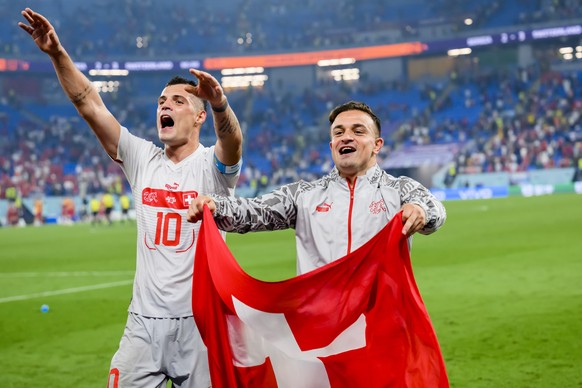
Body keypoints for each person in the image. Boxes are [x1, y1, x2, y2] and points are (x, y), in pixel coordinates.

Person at [19, 7, 243, 388]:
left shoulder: (212, 166)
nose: (165, 106)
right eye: (160, 101)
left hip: (201, 325)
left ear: (199, 116)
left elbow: (233, 142)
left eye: (177, 101)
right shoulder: (142, 157)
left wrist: (220, 103)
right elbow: (89, 102)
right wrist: (57, 54)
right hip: (143, 324)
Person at [187, 101, 446, 276]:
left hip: (382, 326)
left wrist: (421, 209)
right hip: (321, 330)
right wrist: (216, 205)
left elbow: (435, 211)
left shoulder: (400, 190)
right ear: (332, 144)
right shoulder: (304, 195)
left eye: (358, 131)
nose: (346, 136)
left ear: (377, 144)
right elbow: (255, 211)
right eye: (339, 132)